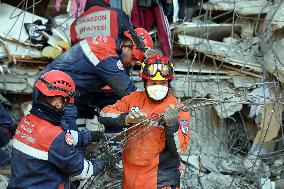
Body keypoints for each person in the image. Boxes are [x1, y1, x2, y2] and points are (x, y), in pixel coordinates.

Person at [33, 28, 153, 137]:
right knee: (69, 141)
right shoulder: (107, 55)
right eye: (133, 58)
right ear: (126, 46)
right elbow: (128, 91)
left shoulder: (109, 45)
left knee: (68, 139)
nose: (132, 64)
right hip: (53, 92)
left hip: (59, 89)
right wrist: (156, 103)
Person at [8, 70, 115, 189]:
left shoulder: (27, 121)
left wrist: (90, 136)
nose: (65, 108)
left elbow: (56, 141)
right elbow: (84, 171)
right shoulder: (55, 137)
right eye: (66, 103)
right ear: (58, 103)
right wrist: (104, 161)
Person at [99, 53, 191, 189]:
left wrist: (171, 125)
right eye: (153, 83)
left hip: (160, 181)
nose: (158, 87)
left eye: (163, 83)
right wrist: (126, 119)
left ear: (169, 83)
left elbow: (180, 149)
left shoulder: (178, 108)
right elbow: (104, 114)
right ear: (145, 82)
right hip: (131, 178)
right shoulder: (133, 99)